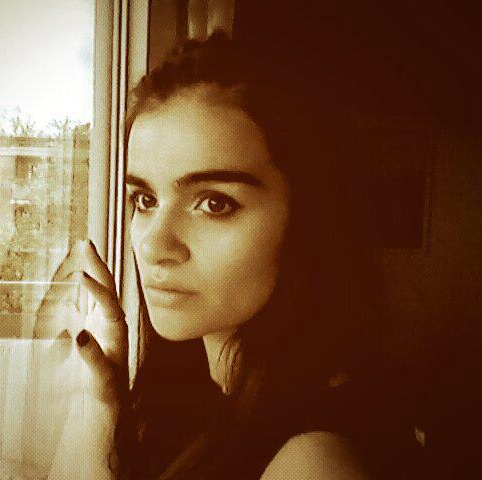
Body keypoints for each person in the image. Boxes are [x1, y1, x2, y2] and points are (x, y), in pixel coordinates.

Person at [51, 32, 418, 480]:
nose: (152, 246)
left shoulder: (314, 463)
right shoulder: (199, 396)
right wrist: (103, 404)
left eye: (215, 203)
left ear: (310, 219)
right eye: (145, 200)